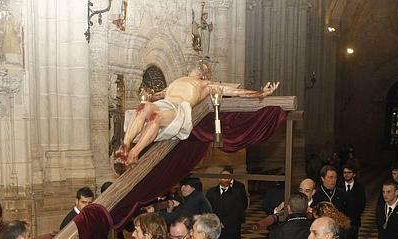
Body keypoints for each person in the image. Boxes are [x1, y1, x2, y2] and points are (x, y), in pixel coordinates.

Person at [116, 62, 279, 165]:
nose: (208, 74)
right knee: (143, 107)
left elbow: (234, 91)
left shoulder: (205, 85)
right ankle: (126, 144)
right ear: (203, 72)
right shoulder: (177, 81)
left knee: (155, 118)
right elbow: (157, 96)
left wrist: (260, 93)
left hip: (177, 110)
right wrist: (148, 96)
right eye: (207, 71)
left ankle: (134, 153)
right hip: (164, 103)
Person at [205, 166, 248, 239]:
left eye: (228, 178)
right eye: (224, 177)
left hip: (230, 228)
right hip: (215, 228)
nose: (226, 180)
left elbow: (239, 210)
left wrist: (226, 223)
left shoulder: (236, 193)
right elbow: (208, 209)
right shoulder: (211, 192)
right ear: (219, 179)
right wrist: (216, 222)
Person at [337, 163, 366, 239]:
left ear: (354, 174)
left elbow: (362, 205)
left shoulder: (359, 188)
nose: (346, 175)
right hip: (340, 224)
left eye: (349, 173)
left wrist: (351, 219)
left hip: (354, 224)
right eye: (344, 173)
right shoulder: (339, 186)